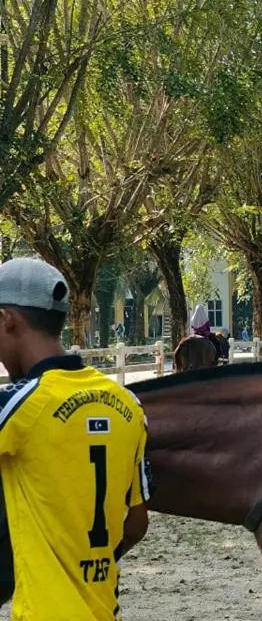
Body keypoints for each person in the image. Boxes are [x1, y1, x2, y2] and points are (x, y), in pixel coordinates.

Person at [0, 258, 150, 620]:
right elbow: (137, 523)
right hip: (102, 609)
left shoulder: (18, 407)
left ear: (7, 320)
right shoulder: (128, 406)